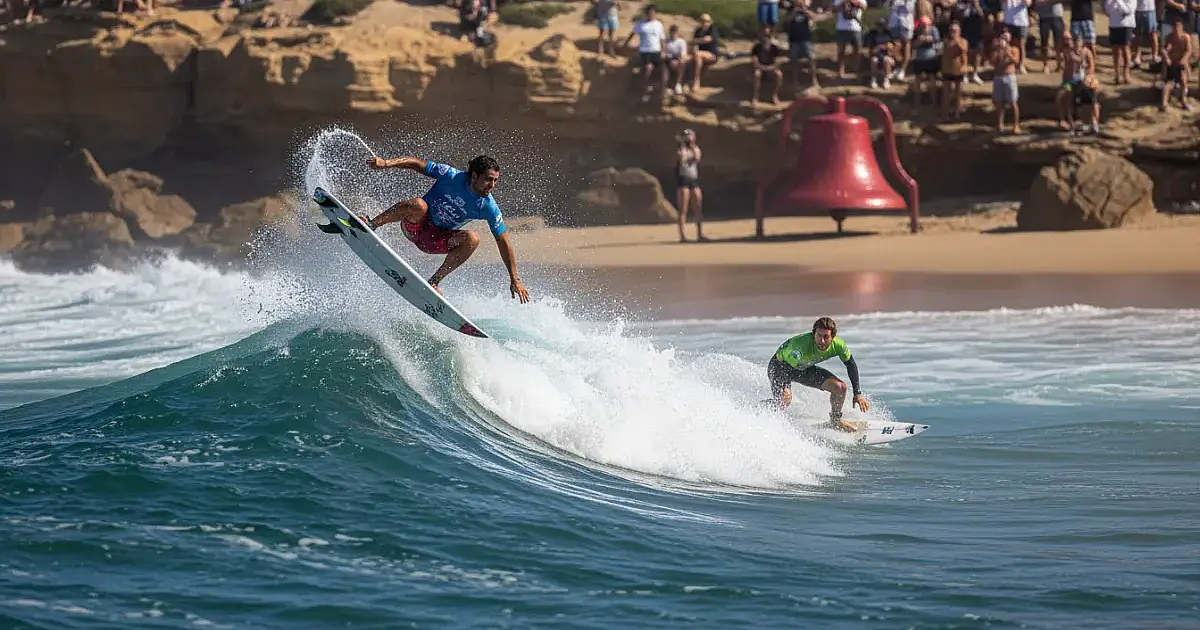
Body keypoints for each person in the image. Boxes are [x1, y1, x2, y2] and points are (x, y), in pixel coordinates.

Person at [361, 155, 531, 303]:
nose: (492, 185)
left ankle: (434, 282)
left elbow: (503, 240)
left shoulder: (488, 207)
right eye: (488, 179)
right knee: (419, 205)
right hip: (414, 227)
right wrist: (386, 163)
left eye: (495, 180)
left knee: (473, 238)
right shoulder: (450, 175)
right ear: (474, 176)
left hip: (435, 242)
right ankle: (371, 224)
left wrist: (515, 279)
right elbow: (416, 163)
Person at [768, 317, 871, 432]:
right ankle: (764, 414)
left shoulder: (839, 345)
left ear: (833, 337)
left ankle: (835, 421)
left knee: (840, 387)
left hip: (803, 367)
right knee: (784, 400)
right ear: (814, 334)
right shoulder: (799, 346)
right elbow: (785, 370)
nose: (822, 341)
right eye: (819, 336)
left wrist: (857, 393)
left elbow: (851, 365)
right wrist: (785, 392)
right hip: (780, 366)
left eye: (826, 337)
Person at [623, 5, 666, 102]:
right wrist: (625, 43)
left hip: (656, 51)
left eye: (653, 12)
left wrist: (663, 51)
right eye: (649, 12)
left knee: (663, 70)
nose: (651, 14)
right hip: (645, 51)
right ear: (646, 13)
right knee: (648, 68)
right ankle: (645, 89)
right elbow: (632, 34)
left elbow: (662, 39)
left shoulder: (659, 24)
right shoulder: (640, 24)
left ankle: (662, 92)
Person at [674, 129, 708, 242]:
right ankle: (682, 236)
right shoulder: (680, 151)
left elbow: (697, 158)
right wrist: (682, 147)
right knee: (683, 209)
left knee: (698, 207)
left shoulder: (696, 149)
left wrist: (692, 146)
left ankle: (700, 234)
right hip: (683, 180)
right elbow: (681, 160)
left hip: (693, 179)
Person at [1160, 15, 1193, 111]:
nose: (1176, 28)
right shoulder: (1169, 38)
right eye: (1175, 26)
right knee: (1168, 83)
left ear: (1182, 26)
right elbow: (1163, 50)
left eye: (1178, 26)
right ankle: (1164, 104)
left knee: (1183, 81)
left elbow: (1189, 51)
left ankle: (1183, 101)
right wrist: (1166, 57)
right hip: (1171, 64)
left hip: (1181, 63)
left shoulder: (1185, 37)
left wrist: (1184, 59)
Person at [750, 31, 786, 104]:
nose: (766, 38)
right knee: (757, 75)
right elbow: (755, 62)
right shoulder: (756, 47)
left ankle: (775, 95)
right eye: (764, 36)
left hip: (771, 68)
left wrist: (770, 68)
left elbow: (777, 62)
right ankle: (755, 96)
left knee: (779, 74)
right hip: (760, 68)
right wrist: (763, 68)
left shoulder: (774, 48)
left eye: (768, 36)